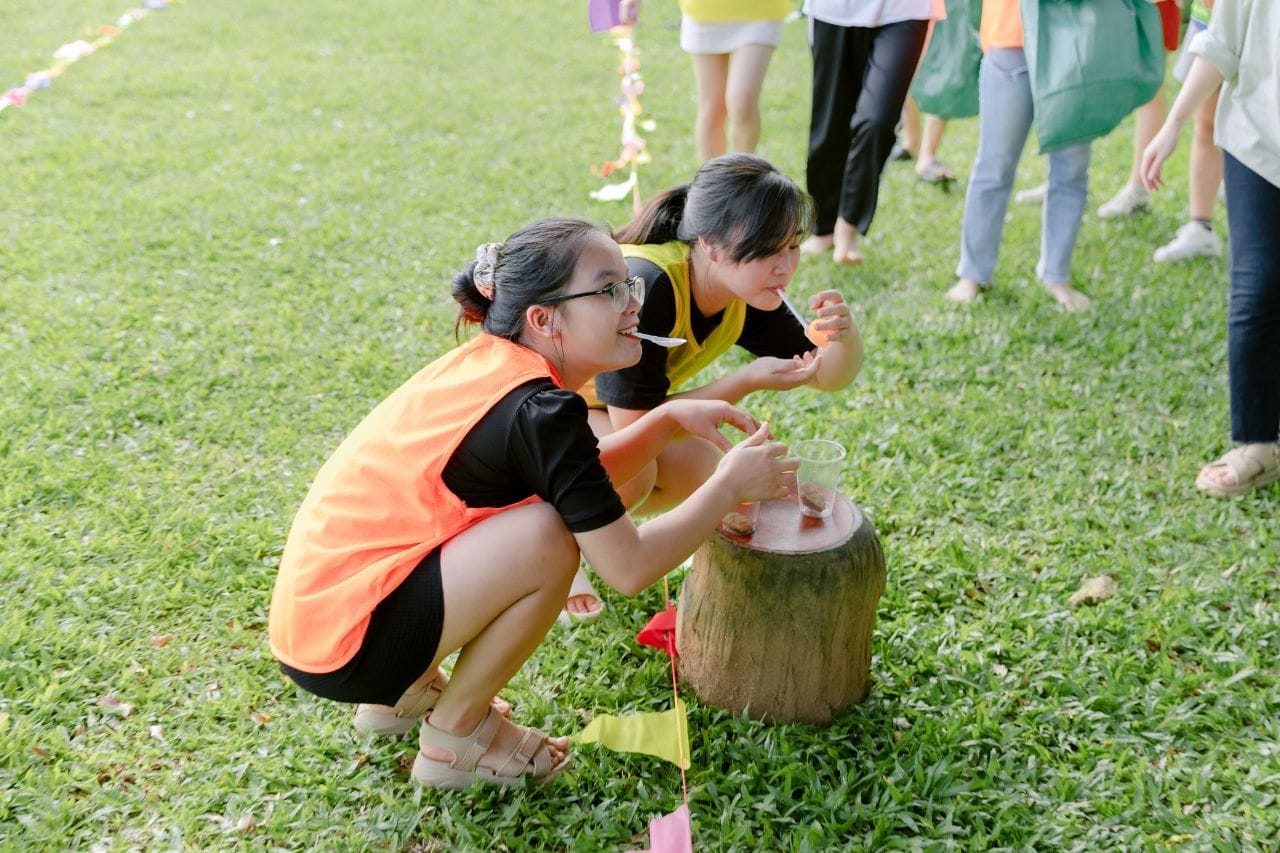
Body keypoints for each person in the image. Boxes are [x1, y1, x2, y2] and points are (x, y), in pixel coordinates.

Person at [268, 218, 798, 790]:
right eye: (609, 290)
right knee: (547, 537)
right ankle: (452, 744)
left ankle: (401, 696)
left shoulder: (500, 368)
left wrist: (665, 421)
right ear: (543, 320)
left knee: (541, 520)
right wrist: (726, 487)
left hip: (324, 625)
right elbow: (628, 567)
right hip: (348, 643)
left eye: (630, 285)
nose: (633, 304)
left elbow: (578, 478)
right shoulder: (540, 411)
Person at [561, 154, 863, 620]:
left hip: (594, 412)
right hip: (541, 408)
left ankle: (583, 529)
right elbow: (637, 427)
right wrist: (741, 382)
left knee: (704, 468)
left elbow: (826, 374)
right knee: (639, 470)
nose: (785, 266)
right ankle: (561, 544)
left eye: (792, 247)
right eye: (767, 249)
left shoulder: (744, 292)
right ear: (711, 244)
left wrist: (843, 336)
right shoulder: (649, 286)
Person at [1141, 0, 1280, 498]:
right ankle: (1258, 444)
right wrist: (1173, 123)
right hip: (1257, 143)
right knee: (1255, 291)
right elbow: (1220, 45)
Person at [945, 0, 1094, 311]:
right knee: (994, 167)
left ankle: (1057, 275)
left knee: (1071, 168)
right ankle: (973, 273)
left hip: (1076, 36)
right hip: (1011, 38)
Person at [799, 0, 941, 264]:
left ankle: (848, 225)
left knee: (877, 120)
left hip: (905, 11)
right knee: (830, 124)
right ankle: (824, 227)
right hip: (834, 12)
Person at [620, 0, 790, 160]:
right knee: (713, 107)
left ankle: (743, 184)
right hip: (704, 9)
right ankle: (713, 187)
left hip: (759, 8)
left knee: (741, 103)